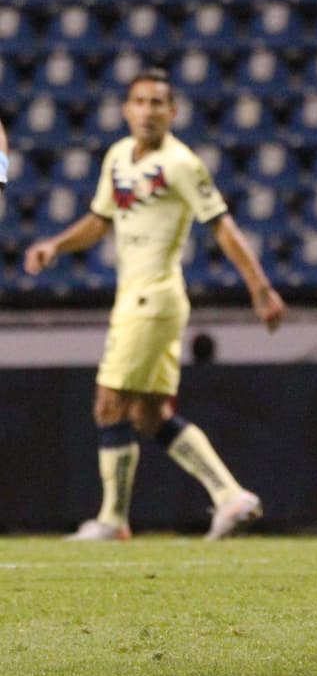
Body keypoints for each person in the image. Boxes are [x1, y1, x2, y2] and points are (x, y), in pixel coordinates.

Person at [23, 68, 286, 540]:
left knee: (109, 405)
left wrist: (260, 289)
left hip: (153, 298)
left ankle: (111, 520)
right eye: (140, 102)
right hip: (137, 298)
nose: (147, 111)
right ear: (126, 109)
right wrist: (55, 246)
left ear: (172, 112)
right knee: (149, 415)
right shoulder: (119, 156)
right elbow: (99, 220)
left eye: (157, 103)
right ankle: (231, 496)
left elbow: (222, 226)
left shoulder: (181, 164)